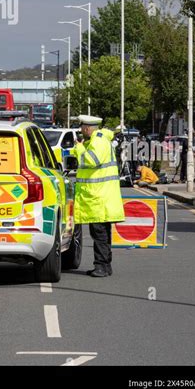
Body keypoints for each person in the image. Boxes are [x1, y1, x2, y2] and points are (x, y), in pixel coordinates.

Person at [71, 115, 125, 278]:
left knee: (99, 234)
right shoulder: (98, 140)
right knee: (102, 234)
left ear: (87, 128)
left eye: (82, 128)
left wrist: (79, 148)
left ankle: (101, 266)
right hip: (100, 197)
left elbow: (90, 160)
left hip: (98, 198)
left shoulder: (99, 141)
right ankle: (105, 266)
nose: (81, 131)